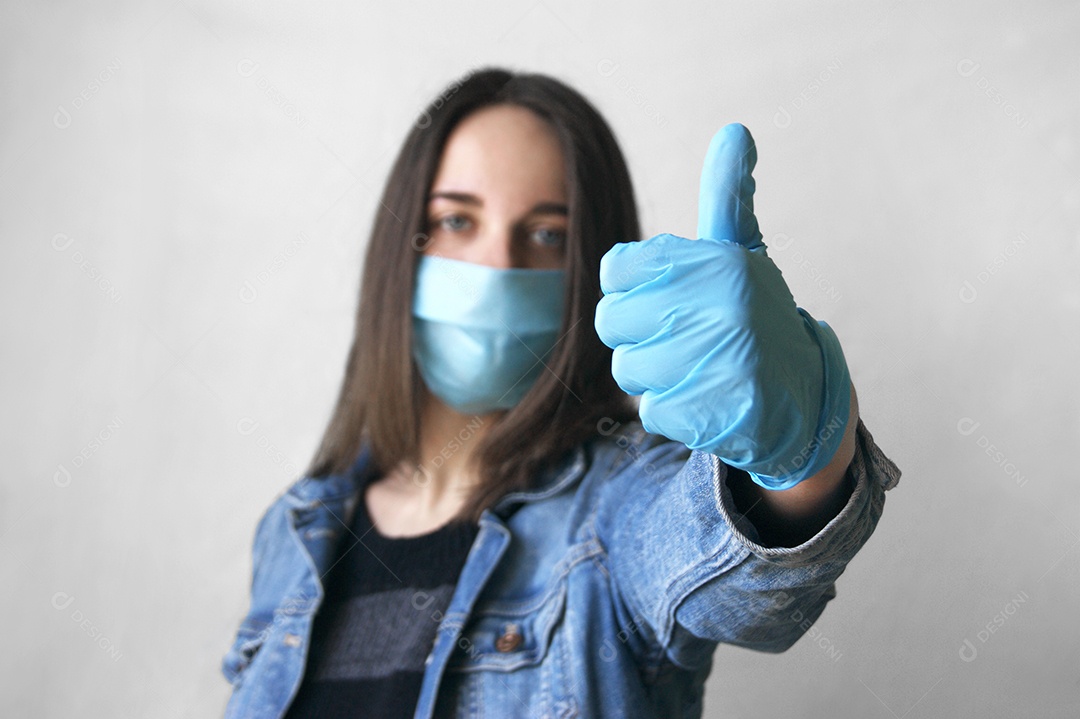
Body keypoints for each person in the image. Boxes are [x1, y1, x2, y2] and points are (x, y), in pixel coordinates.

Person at [220, 66, 901, 719]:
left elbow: (740, 586)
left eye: (547, 234)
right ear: (402, 247)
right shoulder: (294, 529)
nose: (498, 265)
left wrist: (800, 451)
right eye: (457, 220)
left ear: (588, 271)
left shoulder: (616, 504)